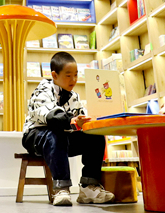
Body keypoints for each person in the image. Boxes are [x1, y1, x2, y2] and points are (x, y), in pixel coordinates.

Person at [22, 51, 115, 206]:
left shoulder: (74, 96)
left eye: (76, 75)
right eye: (68, 75)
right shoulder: (42, 90)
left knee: (95, 136)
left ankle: (88, 187)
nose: (74, 79)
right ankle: (61, 188)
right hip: (35, 136)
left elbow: (80, 119)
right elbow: (51, 117)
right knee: (55, 134)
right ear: (54, 75)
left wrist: (89, 121)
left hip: (63, 138)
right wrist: (73, 121)